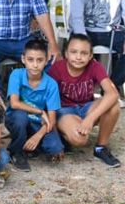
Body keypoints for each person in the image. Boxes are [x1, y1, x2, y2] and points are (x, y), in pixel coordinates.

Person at [48, 34, 121, 167]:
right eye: (73, 52)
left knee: (113, 105)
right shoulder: (57, 69)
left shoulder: (95, 66)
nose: (78, 57)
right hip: (65, 110)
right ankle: (65, 135)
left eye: (84, 53)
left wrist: (90, 119)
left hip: (87, 107)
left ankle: (100, 148)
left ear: (91, 56)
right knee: (80, 139)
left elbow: (113, 93)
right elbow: (48, 101)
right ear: (66, 53)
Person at [5, 39, 65, 172]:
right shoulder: (16, 74)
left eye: (40, 60)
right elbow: (14, 103)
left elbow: (52, 120)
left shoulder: (51, 84)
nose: (35, 65)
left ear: (46, 60)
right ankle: (16, 152)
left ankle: (32, 145)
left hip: (37, 122)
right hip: (16, 118)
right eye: (30, 60)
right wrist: (40, 111)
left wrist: (38, 136)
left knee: (55, 147)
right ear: (23, 59)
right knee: (20, 117)